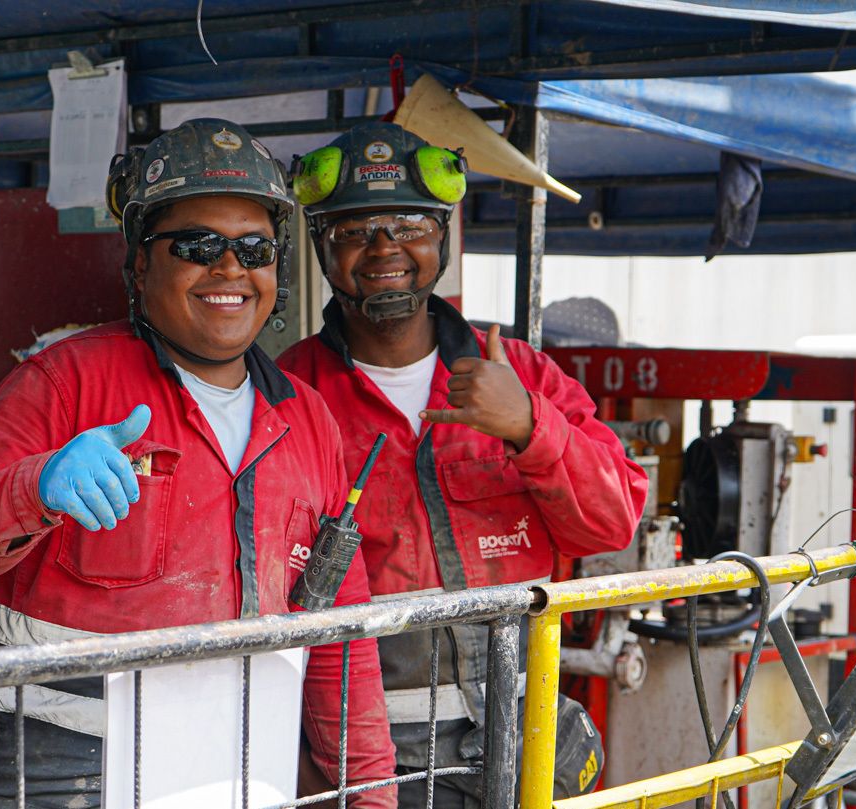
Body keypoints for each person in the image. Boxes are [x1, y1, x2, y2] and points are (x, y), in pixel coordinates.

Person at [0, 118, 397, 809]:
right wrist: (35, 486)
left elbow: (338, 633)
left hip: (238, 768)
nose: (230, 268)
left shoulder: (306, 419)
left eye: (254, 248)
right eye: (198, 245)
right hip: (64, 773)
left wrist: (373, 794)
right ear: (142, 264)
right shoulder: (66, 382)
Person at [278, 121, 650, 807]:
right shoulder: (288, 397)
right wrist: (304, 768)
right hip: (374, 763)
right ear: (322, 246)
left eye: (409, 224)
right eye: (356, 229)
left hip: (524, 742)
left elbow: (614, 520)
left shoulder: (522, 373)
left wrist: (530, 426)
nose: (385, 247)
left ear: (442, 235)